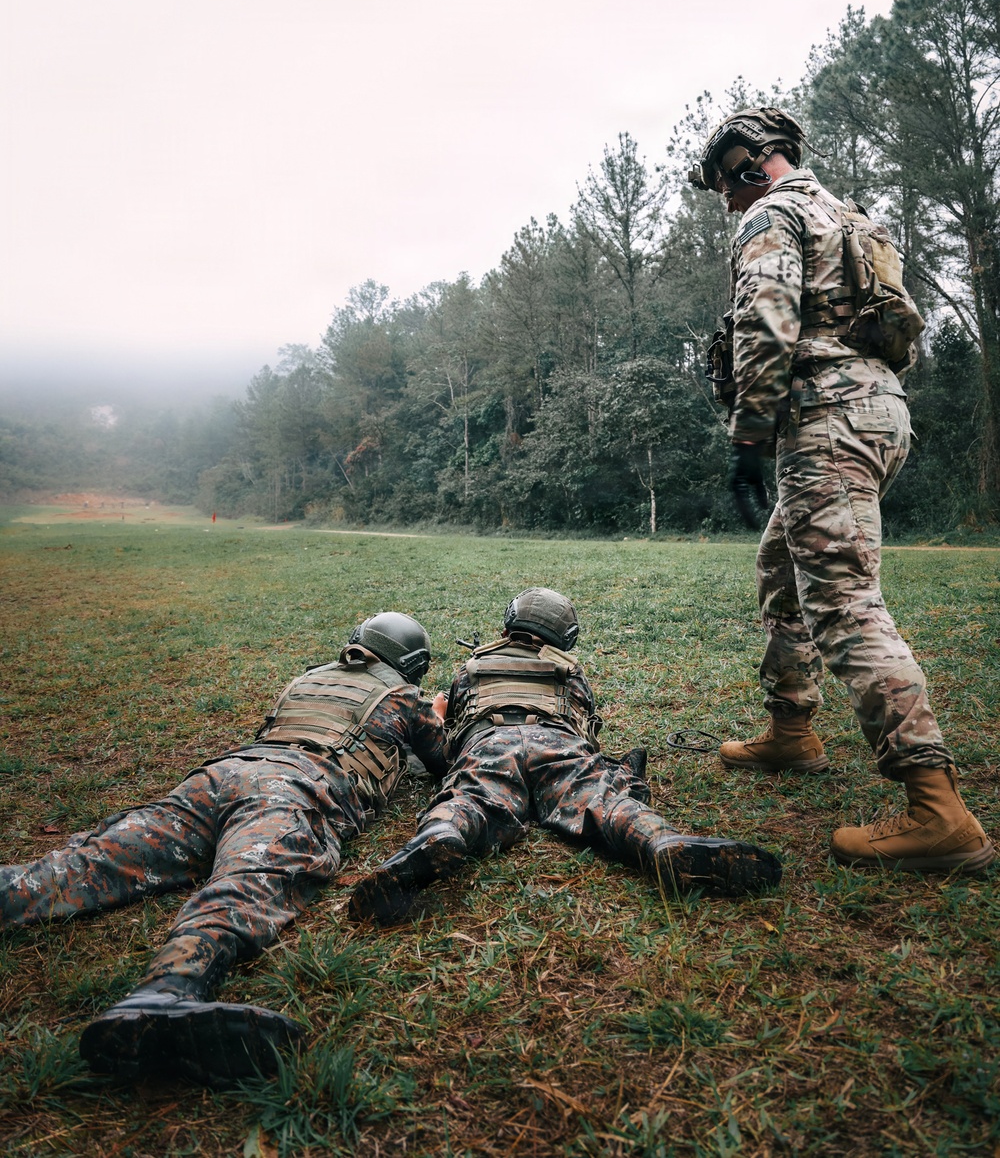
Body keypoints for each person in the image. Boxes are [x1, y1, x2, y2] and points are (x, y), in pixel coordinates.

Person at [690, 107, 994, 874]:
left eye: (726, 183)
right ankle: (792, 729)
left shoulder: (773, 211)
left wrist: (750, 436)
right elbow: (894, 332)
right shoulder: (850, 218)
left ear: (752, 162)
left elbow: (766, 318)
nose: (727, 200)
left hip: (822, 415)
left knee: (844, 600)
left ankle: (938, 810)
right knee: (782, 567)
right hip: (878, 407)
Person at [0, 612, 448, 1086]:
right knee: (248, 879)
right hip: (294, 787)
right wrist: (436, 716)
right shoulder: (404, 696)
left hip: (221, 775)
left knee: (94, 860)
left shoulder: (311, 677)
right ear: (411, 663)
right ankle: (168, 991)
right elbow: (439, 758)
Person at [348, 588, 781, 925]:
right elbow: (585, 725)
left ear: (509, 625)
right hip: (556, 742)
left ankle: (444, 833)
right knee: (605, 798)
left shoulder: (471, 669)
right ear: (564, 636)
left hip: (490, 744)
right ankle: (659, 841)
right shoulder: (569, 671)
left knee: (469, 797)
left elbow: (452, 723)